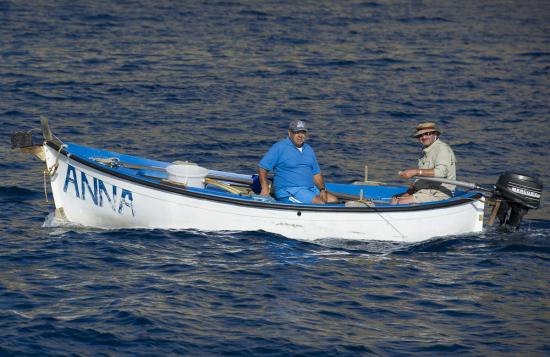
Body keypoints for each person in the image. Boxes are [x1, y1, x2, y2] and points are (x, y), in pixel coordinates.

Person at [258, 120, 338, 204]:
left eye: (303, 132)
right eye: (297, 132)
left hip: (309, 189)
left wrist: (322, 189)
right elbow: (262, 168)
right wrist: (265, 189)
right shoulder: (279, 147)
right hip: (289, 191)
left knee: (334, 200)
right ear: (289, 133)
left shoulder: (309, 149)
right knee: (320, 203)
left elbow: (316, 173)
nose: (300, 135)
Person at [391, 122, 456, 204]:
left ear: (435, 134)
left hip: (439, 194)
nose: (424, 137)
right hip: (425, 191)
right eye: (420, 135)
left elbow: (441, 172)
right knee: (394, 199)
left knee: (401, 202)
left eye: (427, 134)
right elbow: (424, 176)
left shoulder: (442, 149)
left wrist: (416, 172)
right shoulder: (425, 150)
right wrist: (412, 188)